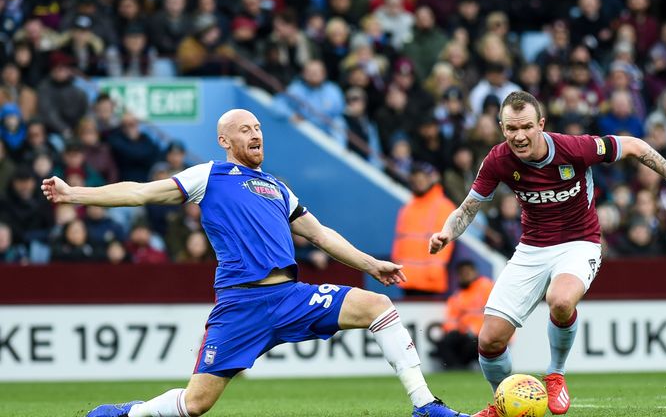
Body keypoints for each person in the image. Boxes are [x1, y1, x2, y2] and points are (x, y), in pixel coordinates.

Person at [41, 109, 467, 417]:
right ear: (225, 140)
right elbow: (141, 192)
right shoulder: (208, 176)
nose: (255, 133)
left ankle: (425, 406)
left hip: (291, 296)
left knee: (378, 307)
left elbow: (320, 234)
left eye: (259, 127)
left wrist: (371, 264)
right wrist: (74, 194)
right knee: (196, 404)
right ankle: (125, 415)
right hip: (241, 304)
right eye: (245, 129)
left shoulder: (278, 188)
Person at [428, 91, 666, 416]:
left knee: (560, 300)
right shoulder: (497, 159)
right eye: (511, 129)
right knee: (489, 340)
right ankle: (502, 405)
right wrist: (447, 232)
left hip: (579, 242)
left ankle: (555, 373)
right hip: (532, 247)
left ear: (541, 124)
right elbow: (467, 208)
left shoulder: (574, 148)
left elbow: (636, 146)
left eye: (526, 127)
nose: (519, 136)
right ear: (502, 127)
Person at [392, 162, 456, 296]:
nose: (418, 182)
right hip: (406, 281)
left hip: (431, 283)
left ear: (432, 179)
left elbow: (446, 243)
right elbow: (400, 241)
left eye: (422, 178)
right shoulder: (407, 209)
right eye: (415, 179)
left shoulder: (444, 207)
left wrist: (433, 272)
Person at [434, 260, 493, 369]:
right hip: (465, 334)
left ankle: (460, 367)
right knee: (445, 342)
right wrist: (455, 332)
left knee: (472, 345)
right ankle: (456, 369)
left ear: (475, 272)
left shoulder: (487, 287)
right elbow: (450, 321)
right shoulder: (457, 296)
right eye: (461, 274)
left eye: (467, 273)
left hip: (483, 334)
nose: (464, 276)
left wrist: (475, 331)